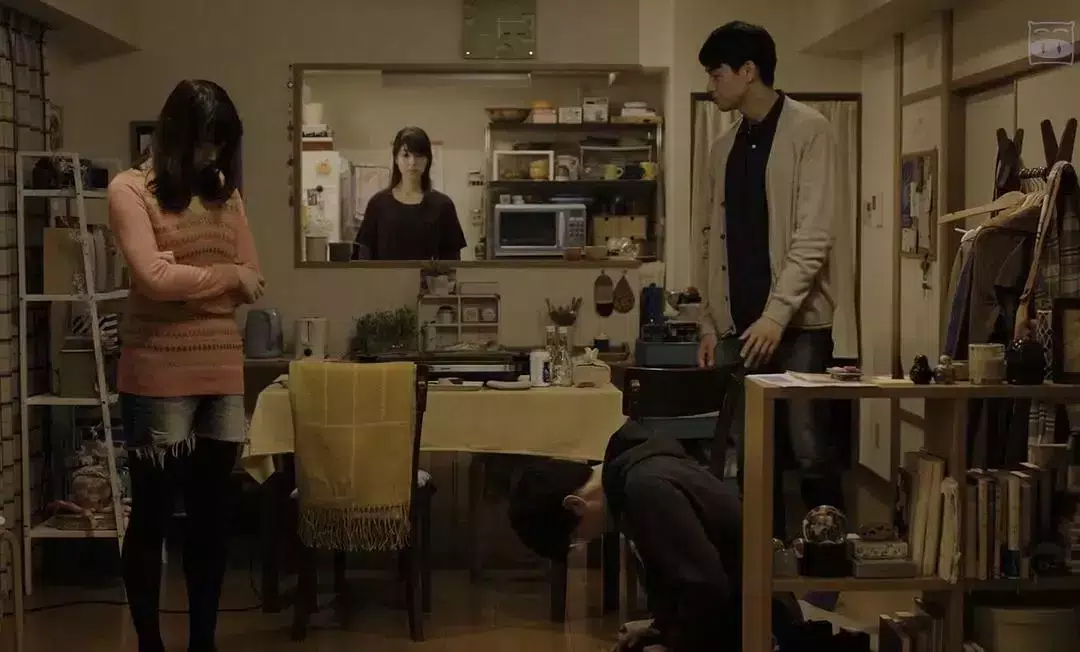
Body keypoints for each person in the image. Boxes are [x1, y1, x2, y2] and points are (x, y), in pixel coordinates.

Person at [109, 79, 264, 652]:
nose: (212, 154)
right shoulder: (130, 189)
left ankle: (204, 642)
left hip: (221, 370)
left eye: (220, 143)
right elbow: (153, 277)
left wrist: (191, 282)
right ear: (177, 134)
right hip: (157, 372)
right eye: (204, 141)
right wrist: (225, 277)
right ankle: (150, 643)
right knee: (152, 515)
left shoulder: (227, 195)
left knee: (211, 517)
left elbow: (256, 278)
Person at [694, 21, 857, 540]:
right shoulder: (722, 147)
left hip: (800, 324)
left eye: (717, 74)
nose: (711, 85)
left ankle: (826, 555)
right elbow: (709, 239)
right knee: (753, 453)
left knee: (810, 448)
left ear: (748, 71)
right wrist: (708, 321)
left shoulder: (810, 130)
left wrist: (776, 315)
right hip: (739, 326)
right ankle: (763, 560)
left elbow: (814, 234)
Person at [508, 421, 802, 652]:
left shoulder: (645, 489)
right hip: (740, 612)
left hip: (762, 626)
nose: (587, 540)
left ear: (575, 505)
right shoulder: (634, 470)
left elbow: (706, 589)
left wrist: (672, 644)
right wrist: (659, 626)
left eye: (576, 537)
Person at [352, 126, 467, 260]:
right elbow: (364, 257)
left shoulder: (443, 205)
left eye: (419, 155)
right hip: (386, 274)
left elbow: (452, 261)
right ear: (396, 159)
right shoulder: (378, 204)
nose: (412, 162)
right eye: (406, 155)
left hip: (428, 274)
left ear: (428, 160)